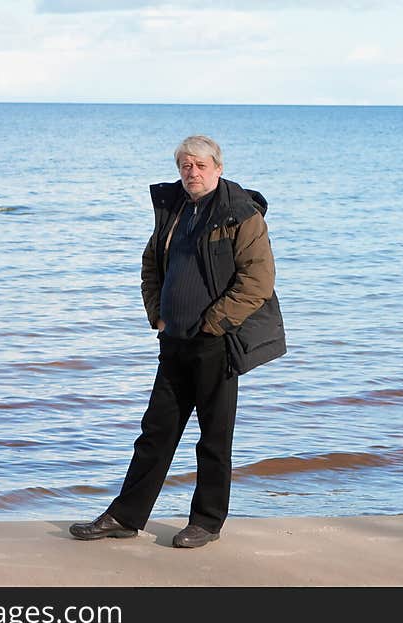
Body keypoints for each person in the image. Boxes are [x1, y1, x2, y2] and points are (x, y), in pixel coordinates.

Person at [70, 135, 285, 548]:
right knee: (155, 433)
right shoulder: (174, 210)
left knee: (214, 438)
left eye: (201, 165)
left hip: (216, 344)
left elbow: (257, 282)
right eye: (186, 166)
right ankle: (124, 516)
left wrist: (214, 324)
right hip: (173, 342)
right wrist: (159, 315)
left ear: (218, 168)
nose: (193, 173)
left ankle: (205, 522)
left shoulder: (241, 215)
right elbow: (151, 265)